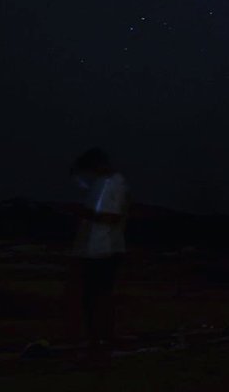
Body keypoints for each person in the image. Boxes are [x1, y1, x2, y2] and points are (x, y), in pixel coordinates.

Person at [70, 148, 128, 366]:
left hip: (107, 249)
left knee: (99, 295)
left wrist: (87, 214)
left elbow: (113, 216)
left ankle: (103, 339)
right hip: (94, 250)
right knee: (91, 296)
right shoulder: (99, 184)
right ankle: (97, 338)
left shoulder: (115, 183)